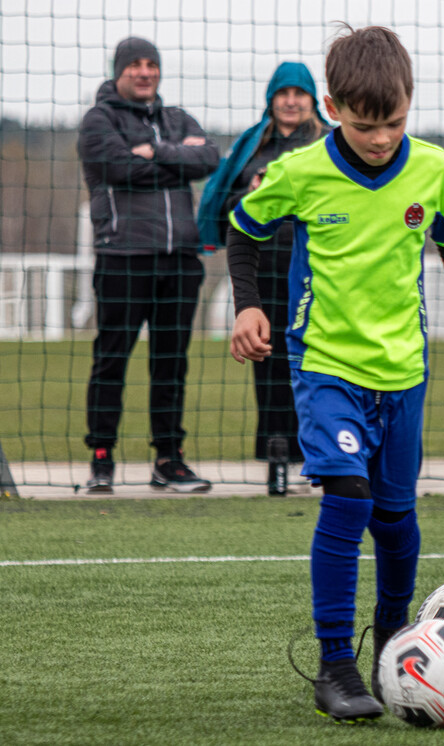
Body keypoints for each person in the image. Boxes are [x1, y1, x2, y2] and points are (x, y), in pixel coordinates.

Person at [225, 26, 444, 723]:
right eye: (366, 125)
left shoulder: (431, 167)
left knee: (398, 524)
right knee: (347, 500)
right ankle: (335, 664)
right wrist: (247, 306)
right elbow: (242, 229)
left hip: (404, 375)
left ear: (410, 104)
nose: (381, 139)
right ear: (334, 107)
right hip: (326, 369)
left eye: (394, 123)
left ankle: (394, 640)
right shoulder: (300, 171)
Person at [78, 37, 220, 494]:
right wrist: (176, 160)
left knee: (171, 363)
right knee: (111, 361)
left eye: (151, 64)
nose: (145, 72)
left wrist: (155, 152)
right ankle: (102, 458)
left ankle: (169, 460)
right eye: (135, 65)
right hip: (122, 257)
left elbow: (209, 158)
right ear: (119, 71)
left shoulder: (176, 118)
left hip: (180, 259)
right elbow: (118, 168)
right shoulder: (99, 120)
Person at [198, 61, 330, 494]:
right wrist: (251, 191)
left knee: (319, 364)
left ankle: (321, 456)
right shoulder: (250, 147)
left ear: (313, 100)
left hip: (320, 275)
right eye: (283, 93)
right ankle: (276, 457)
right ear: (271, 100)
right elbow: (226, 202)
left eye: (300, 93)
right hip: (264, 272)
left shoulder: (331, 145)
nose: (291, 101)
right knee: (269, 365)